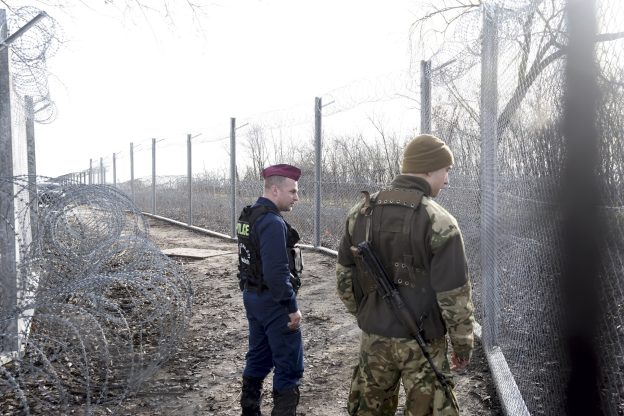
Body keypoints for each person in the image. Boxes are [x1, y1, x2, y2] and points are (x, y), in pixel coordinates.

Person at [336, 134, 475, 416]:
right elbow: (454, 296)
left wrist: (368, 313)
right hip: (424, 344)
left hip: (374, 339)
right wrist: (462, 345)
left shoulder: (360, 213)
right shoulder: (439, 222)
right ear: (428, 169)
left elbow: (344, 280)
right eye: (446, 170)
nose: (447, 180)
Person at [237, 163, 304, 416]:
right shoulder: (272, 222)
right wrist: (291, 307)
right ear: (275, 190)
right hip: (274, 301)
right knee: (288, 367)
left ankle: (249, 411)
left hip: (253, 296)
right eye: (293, 191)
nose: (296, 197)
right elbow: (276, 273)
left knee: (258, 357)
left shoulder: (250, 215)